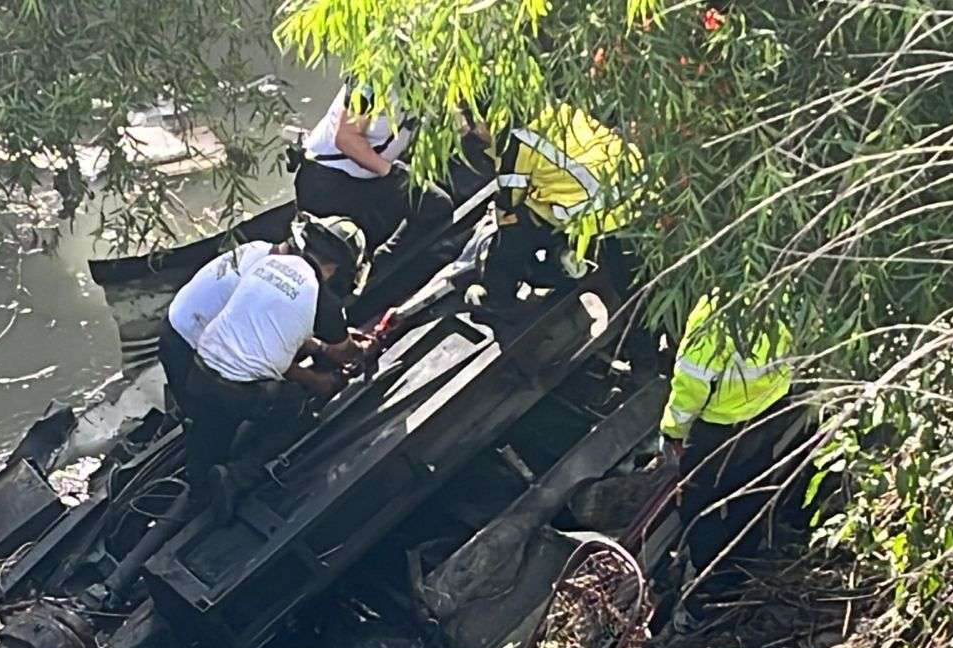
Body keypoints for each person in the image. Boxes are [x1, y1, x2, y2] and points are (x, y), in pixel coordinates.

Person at [183, 214, 371, 517]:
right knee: (299, 411)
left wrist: (321, 346)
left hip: (199, 370)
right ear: (337, 268)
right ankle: (237, 476)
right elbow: (344, 354)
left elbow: (273, 328)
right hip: (240, 391)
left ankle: (198, 490)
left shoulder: (267, 265)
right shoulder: (324, 300)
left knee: (210, 425)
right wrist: (354, 352)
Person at [656, 293, 803, 634]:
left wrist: (673, 431)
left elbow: (691, 383)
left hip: (719, 429)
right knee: (750, 493)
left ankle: (710, 592)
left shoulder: (716, 310)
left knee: (696, 507)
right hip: (768, 410)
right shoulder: (785, 293)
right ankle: (746, 566)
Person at [477, 103, 641, 306]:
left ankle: (498, 295)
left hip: (606, 216)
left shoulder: (514, 144)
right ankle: (568, 258)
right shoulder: (555, 109)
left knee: (516, 229)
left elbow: (510, 205)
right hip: (640, 188)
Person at [294, 81, 454, 285]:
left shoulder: (431, 77)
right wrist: (391, 172)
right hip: (329, 180)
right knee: (333, 255)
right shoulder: (369, 81)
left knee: (435, 206)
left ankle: (379, 272)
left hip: (373, 177)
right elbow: (346, 138)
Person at [158, 239, 273, 412]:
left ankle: (180, 415)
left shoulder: (259, 247)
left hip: (173, 324)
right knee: (214, 414)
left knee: (190, 403)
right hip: (187, 344)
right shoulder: (265, 280)